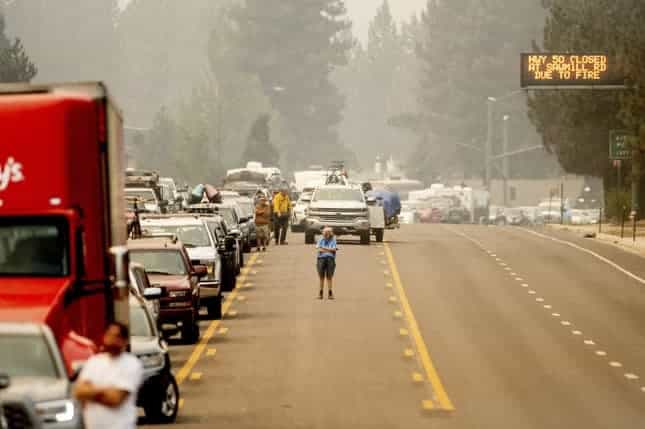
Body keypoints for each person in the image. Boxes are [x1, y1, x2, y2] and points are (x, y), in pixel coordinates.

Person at [74, 322, 143, 429]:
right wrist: (105, 391)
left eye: (116, 336)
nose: (112, 340)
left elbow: (116, 399)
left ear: (125, 341)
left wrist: (91, 393)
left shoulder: (132, 364)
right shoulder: (94, 362)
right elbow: (79, 392)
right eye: (109, 335)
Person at [316, 227, 337, 300]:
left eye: (329, 232)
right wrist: (329, 250)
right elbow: (319, 249)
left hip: (330, 259)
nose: (327, 234)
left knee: (329, 277)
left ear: (331, 233)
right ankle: (320, 293)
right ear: (323, 233)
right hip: (321, 259)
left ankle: (330, 293)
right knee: (321, 277)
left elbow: (334, 249)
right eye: (326, 232)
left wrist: (324, 249)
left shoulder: (333, 239)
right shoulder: (321, 239)